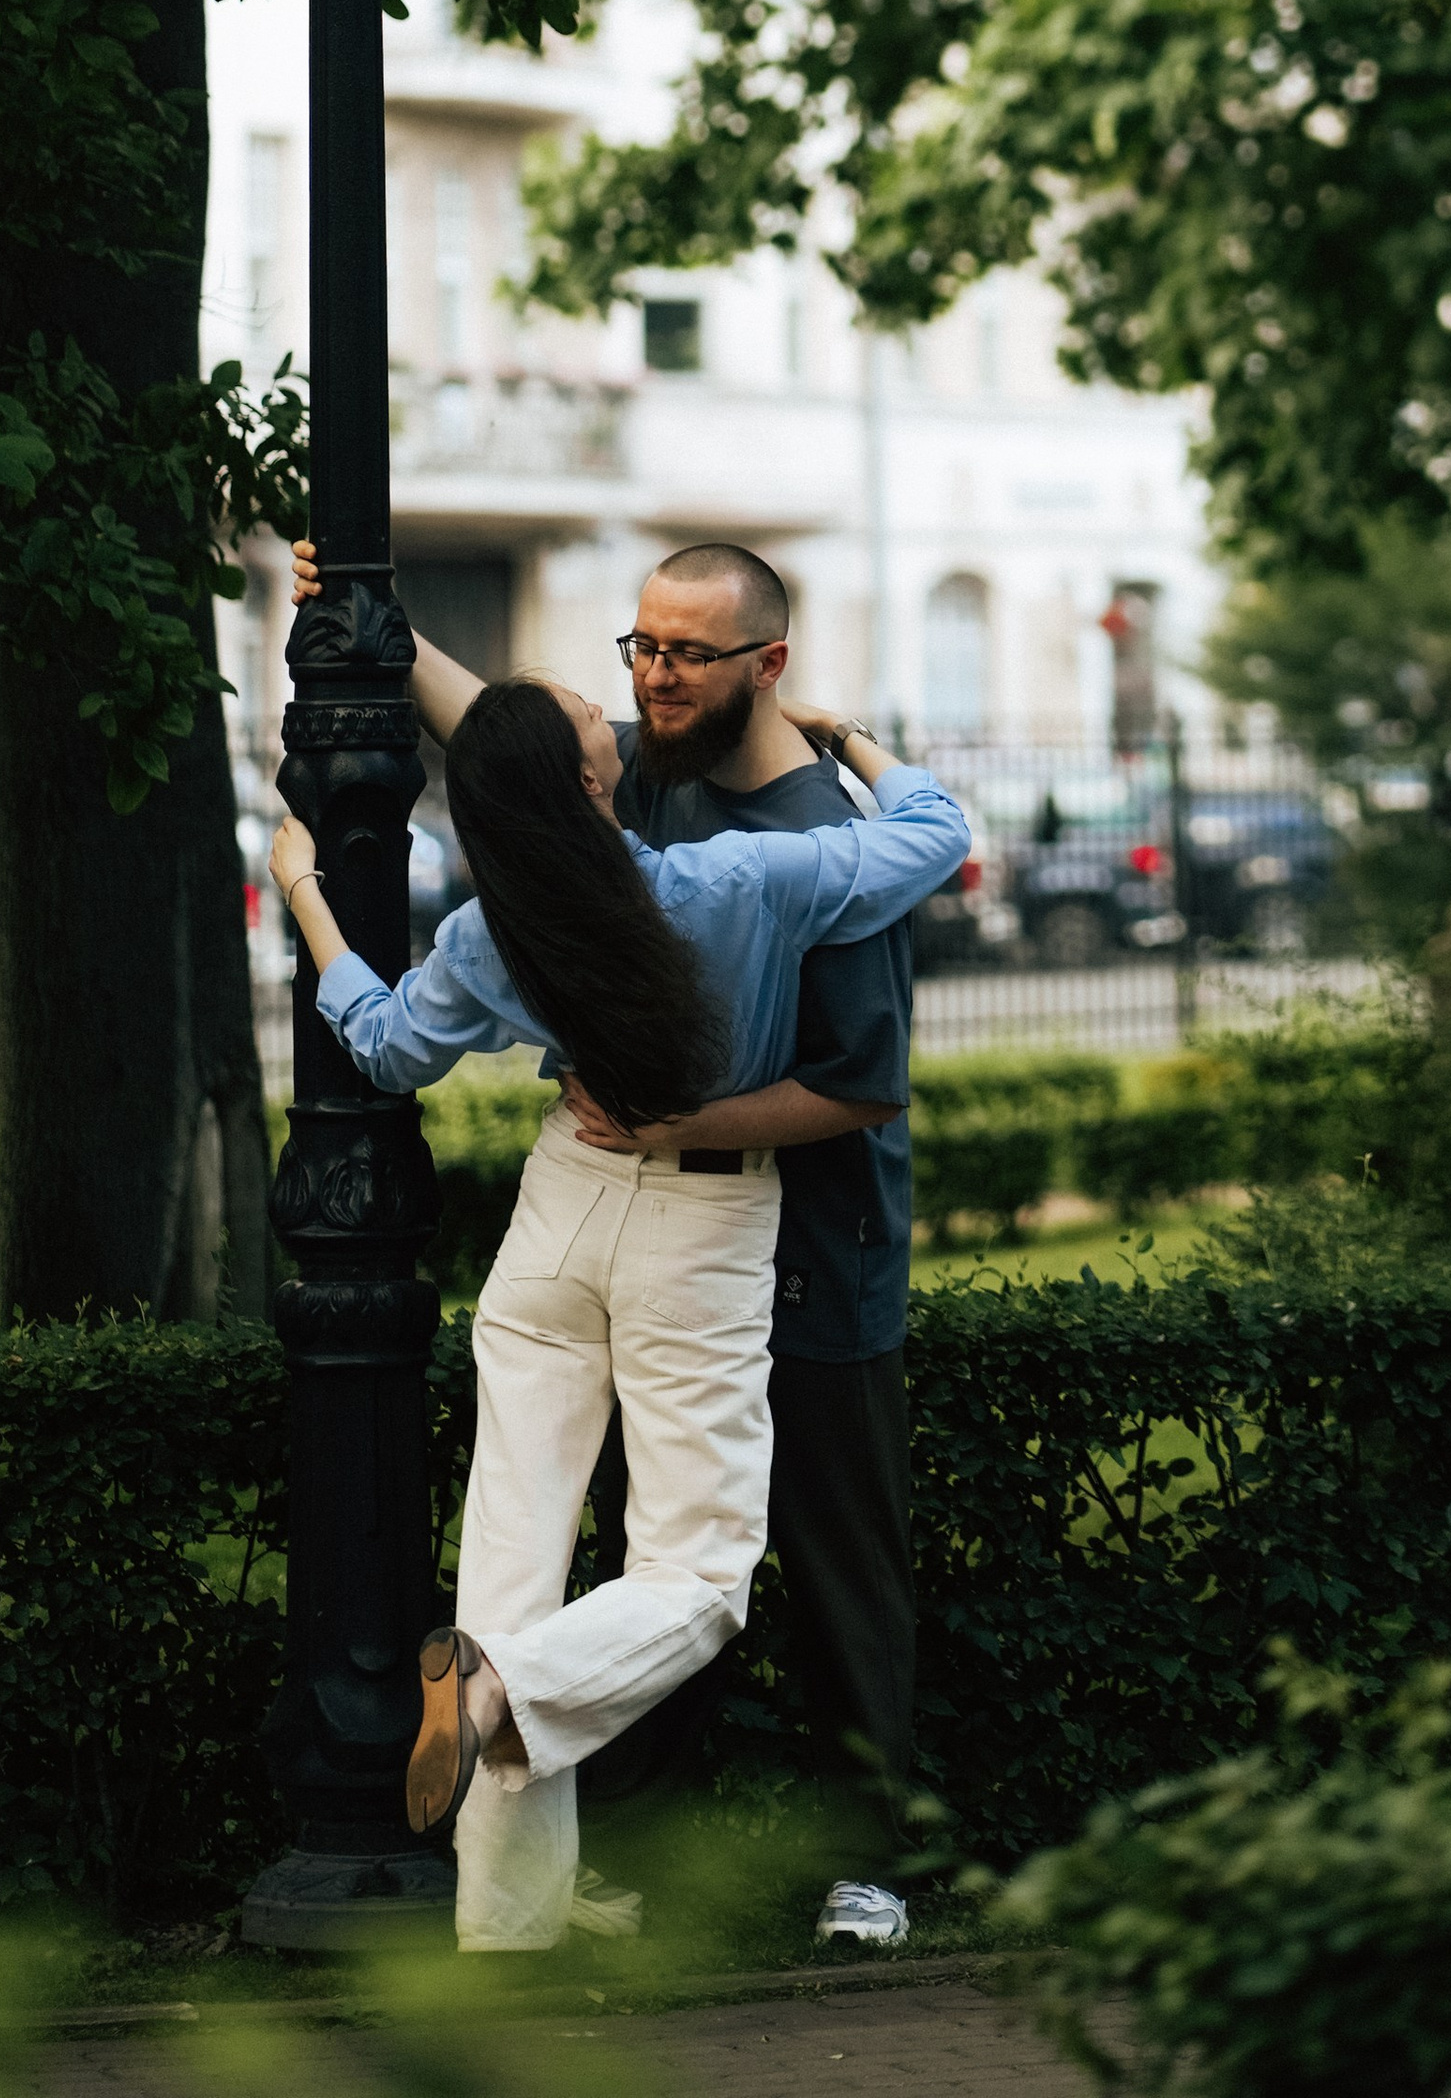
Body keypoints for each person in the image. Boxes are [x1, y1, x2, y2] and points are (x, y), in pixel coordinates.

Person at [272, 593, 966, 1956]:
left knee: (512, 1558)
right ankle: (503, 1696)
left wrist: (307, 893)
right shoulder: (740, 882)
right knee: (700, 1574)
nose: (628, 697)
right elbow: (935, 835)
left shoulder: (492, 933)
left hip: (554, 1218)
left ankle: (506, 1922)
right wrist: (856, 740)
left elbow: (387, 1045)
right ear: (595, 788)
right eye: (602, 712)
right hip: (694, 1228)